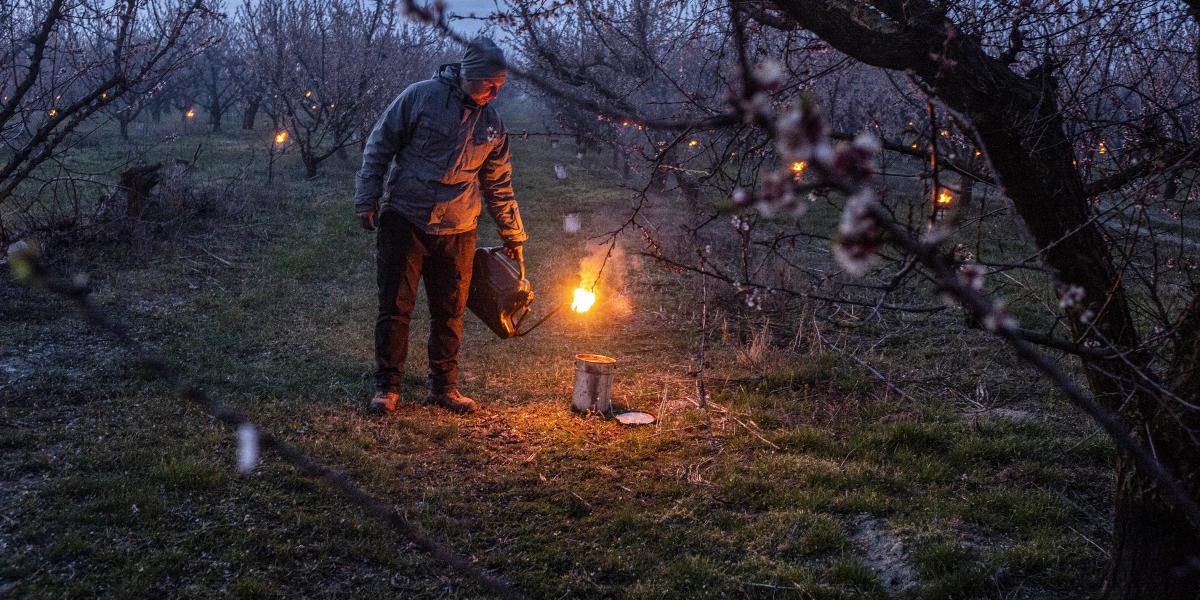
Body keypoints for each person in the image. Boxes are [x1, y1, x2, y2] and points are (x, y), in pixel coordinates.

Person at [353, 37, 527, 414]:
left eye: (501, 86)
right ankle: (388, 386)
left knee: (450, 309)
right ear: (469, 74)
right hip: (405, 218)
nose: (495, 94)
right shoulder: (420, 98)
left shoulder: (492, 124)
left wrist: (513, 233)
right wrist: (367, 198)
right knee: (395, 306)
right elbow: (379, 146)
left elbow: (498, 182)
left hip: (458, 227)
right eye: (489, 85)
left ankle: (443, 386)